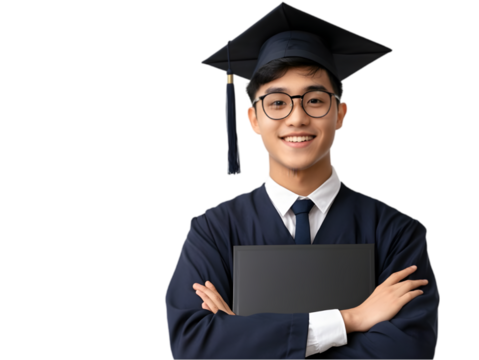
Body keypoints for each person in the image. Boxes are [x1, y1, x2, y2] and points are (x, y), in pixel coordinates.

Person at [164, 2, 440, 359]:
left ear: (341, 114)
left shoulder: (397, 233)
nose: (297, 118)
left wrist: (246, 337)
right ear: (252, 119)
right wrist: (350, 320)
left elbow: (407, 350)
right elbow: (194, 345)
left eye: (314, 100)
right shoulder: (213, 232)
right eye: (277, 103)